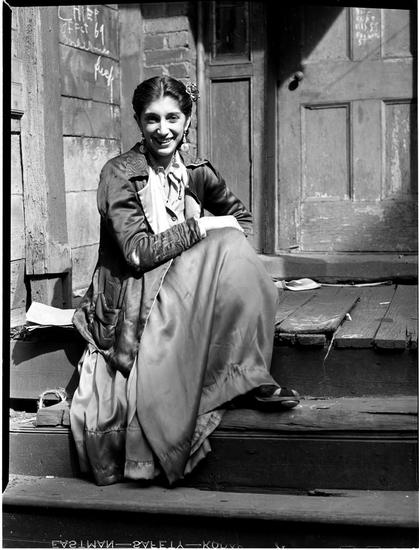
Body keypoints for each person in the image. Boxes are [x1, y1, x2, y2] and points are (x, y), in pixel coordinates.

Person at [70, 76, 300, 487]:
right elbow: (137, 253)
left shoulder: (196, 172)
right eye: (152, 119)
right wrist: (198, 227)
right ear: (139, 123)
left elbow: (241, 221)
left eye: (173, 118)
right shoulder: (119, 173)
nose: (163, 129)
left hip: (185, 284)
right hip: (137, 297)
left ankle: (248, 377)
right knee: (221, 241)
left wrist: (205, 228)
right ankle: (230, 379)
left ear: (187, 121)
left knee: (236, 251)